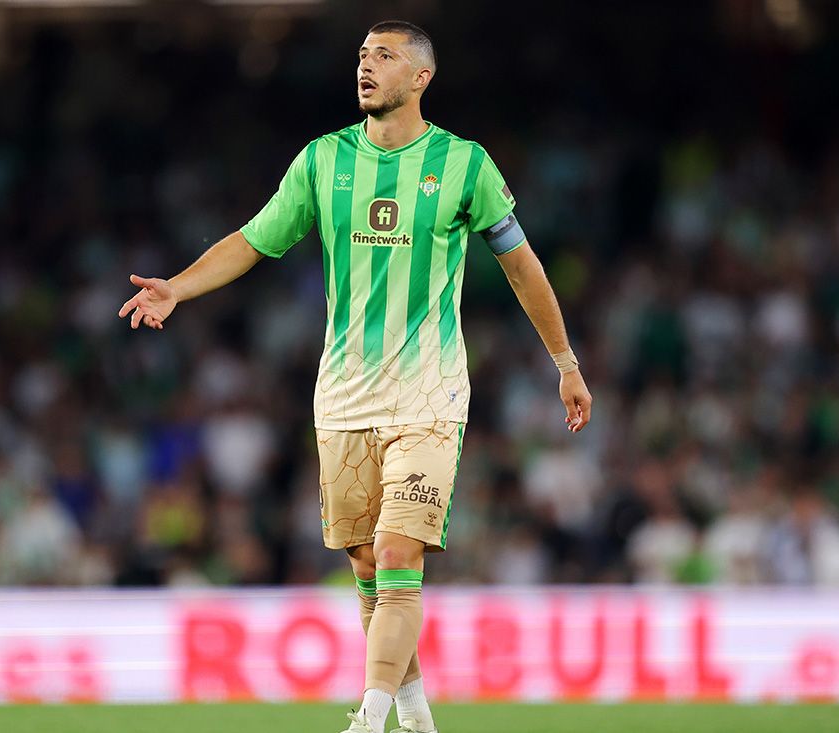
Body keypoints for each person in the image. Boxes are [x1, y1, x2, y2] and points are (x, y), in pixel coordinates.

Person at [119, 20, 592, 733]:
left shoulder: (465, 165)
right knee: (371, 565)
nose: (366, 67)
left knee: (401, 550)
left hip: (430, 393)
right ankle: (416, 716)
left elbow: (522, 266)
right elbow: (253, 238)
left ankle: (367, 719)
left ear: (421, 77)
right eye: (362, 55)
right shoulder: (322, 161)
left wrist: (566, 363)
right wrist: (179, 288)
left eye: (385, 56)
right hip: (343, 394)